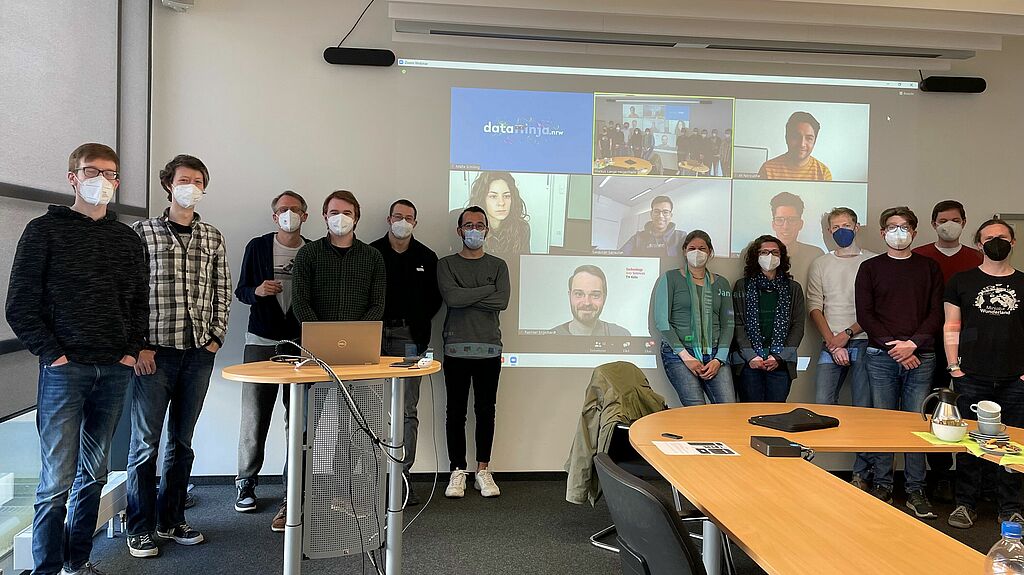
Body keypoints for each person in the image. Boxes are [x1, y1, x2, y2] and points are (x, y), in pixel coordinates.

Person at [6, 144, 149, 575]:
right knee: (56, 482)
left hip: (114, 369)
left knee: (95, 474)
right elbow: (20, 304)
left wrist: (130, 351)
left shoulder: (127, 238)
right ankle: (47, 569)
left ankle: (78, 561)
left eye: (111, 174)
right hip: (64, 371)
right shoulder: (43, 231)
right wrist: (53, 354)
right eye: (92, 171)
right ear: (72, 177)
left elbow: (139, 303)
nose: (102, 181)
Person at [127, 154, 232, 557]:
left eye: (198, 181)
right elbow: (130, 291)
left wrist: (215, 338)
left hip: (198, 353)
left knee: (182, 442)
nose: (191, 187)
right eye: (184, 180)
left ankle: (171, 520)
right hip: (154, 355)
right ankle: (139, 527)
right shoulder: (143, 232)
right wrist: (138, 345)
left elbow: (222, 290)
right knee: (144, 445)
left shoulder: (212, 236)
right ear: (168, 185)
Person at [855, 206, 943, 519]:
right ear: (882, 232)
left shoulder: (929, 268)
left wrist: (913, 344)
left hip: (922, 355)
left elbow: (936, 312)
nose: (898, 232)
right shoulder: (870, 268)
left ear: (915, 232)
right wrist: (896, 347)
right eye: (892, 227)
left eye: (905, 226)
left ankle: (916, 489)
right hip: (882, 356)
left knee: (917, 424)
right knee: (884, 422)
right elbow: (865, 314)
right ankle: (883, 485)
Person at [232, 191, 308, 530]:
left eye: (295, 209)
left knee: (298, 419)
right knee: (254, 415)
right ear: (274, 216)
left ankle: (292, 488)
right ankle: (245, 482)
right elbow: (241, 291)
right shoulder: (258, 246)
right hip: (261, 340)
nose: (288, 214)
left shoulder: (313, 251)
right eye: (282, 209)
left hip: (300, 344)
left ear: (305, 215)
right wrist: (257, 291)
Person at [944, 219, 1024, 529]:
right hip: (972, 375)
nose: (995, 242)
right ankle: (965, 503)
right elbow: (952, 325)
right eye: (989, 238)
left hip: (1015, 378)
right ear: (979, 244)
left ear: (1013, 242)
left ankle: (1011, 507)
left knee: (1013, 443)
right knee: (969, 442)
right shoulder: (961, 281)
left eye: (1002, 237)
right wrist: (954, 367)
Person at [370, 199, 442, 506]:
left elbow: (435, 300)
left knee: (407, 410)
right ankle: (370, 477)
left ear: (415, 222)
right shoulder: (371, 252)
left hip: (410, 339)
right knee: (368, 407)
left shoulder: (426, 256)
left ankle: (401, 476)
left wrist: (416, 321)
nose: (402, 221)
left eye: (408, 217)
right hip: (371, 337)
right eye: (397, 216)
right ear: (389, 219)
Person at [438, 207, 511, 499]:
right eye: (468, 225)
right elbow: (452, 298)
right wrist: (486, 290)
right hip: (455, 348)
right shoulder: (446, 264)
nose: (474, 230)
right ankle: (458, 470)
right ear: (459, 231)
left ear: (487, 231)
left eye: (479, 225)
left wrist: (466, 294)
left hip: (489, 349)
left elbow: (502, 301)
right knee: (455, 412)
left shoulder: (499, 265)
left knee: (485, 411)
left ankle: (483, 470)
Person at [912, 199, 982, 502]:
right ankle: (939, 474)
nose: (948, 225)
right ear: (933, 224)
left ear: (964, 223)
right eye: (942, 220)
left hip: (969, 345)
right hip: (929, 344)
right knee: (936, 407)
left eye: (954, 220)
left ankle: (975, 479)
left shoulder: (977, 258)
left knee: (970, 408)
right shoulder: (920, 256)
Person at [806, 207, 876, 490]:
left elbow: (875, 308)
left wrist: (848, 334)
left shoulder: (872, 261)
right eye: (835, 227)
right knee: (822, 404)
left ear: (856, 227)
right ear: (828, 231)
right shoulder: (821, 263)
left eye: (846, 225)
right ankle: (819, 469)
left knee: (863, 409)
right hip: (830, 343)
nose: (841, 231)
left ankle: (862, 473)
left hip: (865, 341)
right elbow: (815, 306)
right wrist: (833, 342)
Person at [655, 230, 736, 406]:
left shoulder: (721, 283)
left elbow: (728, 324)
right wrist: (686, 357)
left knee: (728, 408)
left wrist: (719, 359)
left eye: (702, 248)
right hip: (679, 354)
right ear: (684, 251)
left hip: (715, 354)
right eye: (692, 248)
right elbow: (662, 321)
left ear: (710, 252)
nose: (697, 252)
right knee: (696, 409)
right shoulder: (670, 278)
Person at [731, 235, 806, 402]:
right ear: (755, 256)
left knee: (776, 411)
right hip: (749, 362)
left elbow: (798, 325)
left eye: (775, 252)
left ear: (782, 257)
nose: (770, 256)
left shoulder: (793, 288)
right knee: (749, 411)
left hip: (781, 363)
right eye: (764, 252)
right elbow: (738, 324)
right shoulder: (742, 285)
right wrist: (751, 356)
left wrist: (779, 357)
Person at [550, 265, 630, 336]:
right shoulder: (550, 338)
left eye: (595, 295)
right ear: (570, 296)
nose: (587, 303)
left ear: (604, 298)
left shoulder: (621, 335)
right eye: (579, 294)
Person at [466, 171, 531, 258]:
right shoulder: (469, 229)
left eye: (506, 196)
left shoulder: (522, 228)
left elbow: (524, 263)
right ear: (482, 200)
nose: (501, 203)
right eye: (493, 196)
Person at [757, 111, 832, 181]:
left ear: (814, 142)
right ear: (787, 138)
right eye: (796, 137)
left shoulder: (823, 173)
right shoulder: (767, 169)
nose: (802, 144)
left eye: (809, 138)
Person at [769, 192, 825, 284]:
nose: (786, 226)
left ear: (800, 224)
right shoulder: (758, 255)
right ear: (773, 225)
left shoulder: (815, 255)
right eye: (779, 220)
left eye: (792, 220)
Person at [620, 195, 686, 257]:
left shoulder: (681, 237)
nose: (660, 216)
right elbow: (620, 256)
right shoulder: (637, 238)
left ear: (670, 216)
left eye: (665, 212)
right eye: (656, 211)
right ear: (651, 214)